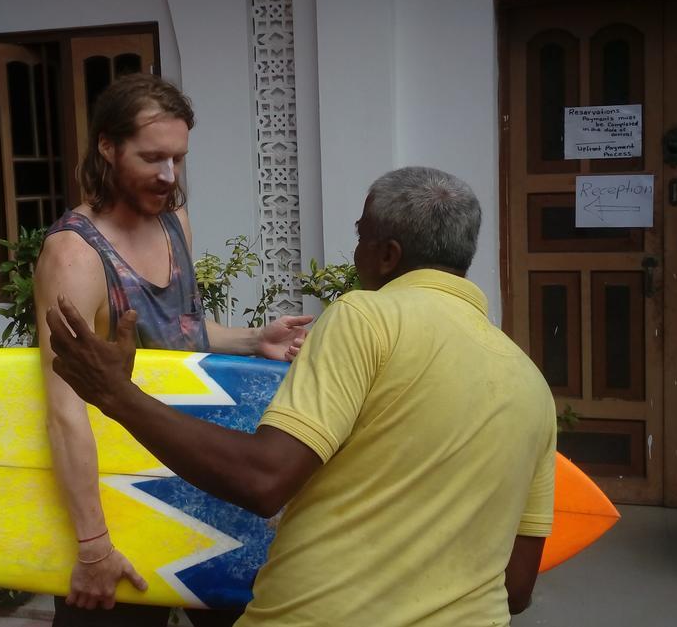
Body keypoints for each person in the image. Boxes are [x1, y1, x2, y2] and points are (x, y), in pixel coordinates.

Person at [46, 166, 558, 627]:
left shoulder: (368, 318)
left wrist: (116, 395)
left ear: (387, 254)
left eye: (360, 236)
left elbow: (263, 479)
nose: (355, 252)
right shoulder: (530, 383)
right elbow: (516, 589)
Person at [34, 73, 312, 627]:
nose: (168, 175)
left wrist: (254, 340)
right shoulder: (74, 258)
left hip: (197, 479)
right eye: (152, 157)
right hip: (117, 502)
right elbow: (65, 411)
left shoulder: (172, 220)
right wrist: (92, 545)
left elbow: (177, 333)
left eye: (178, 160)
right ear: (108, 148)